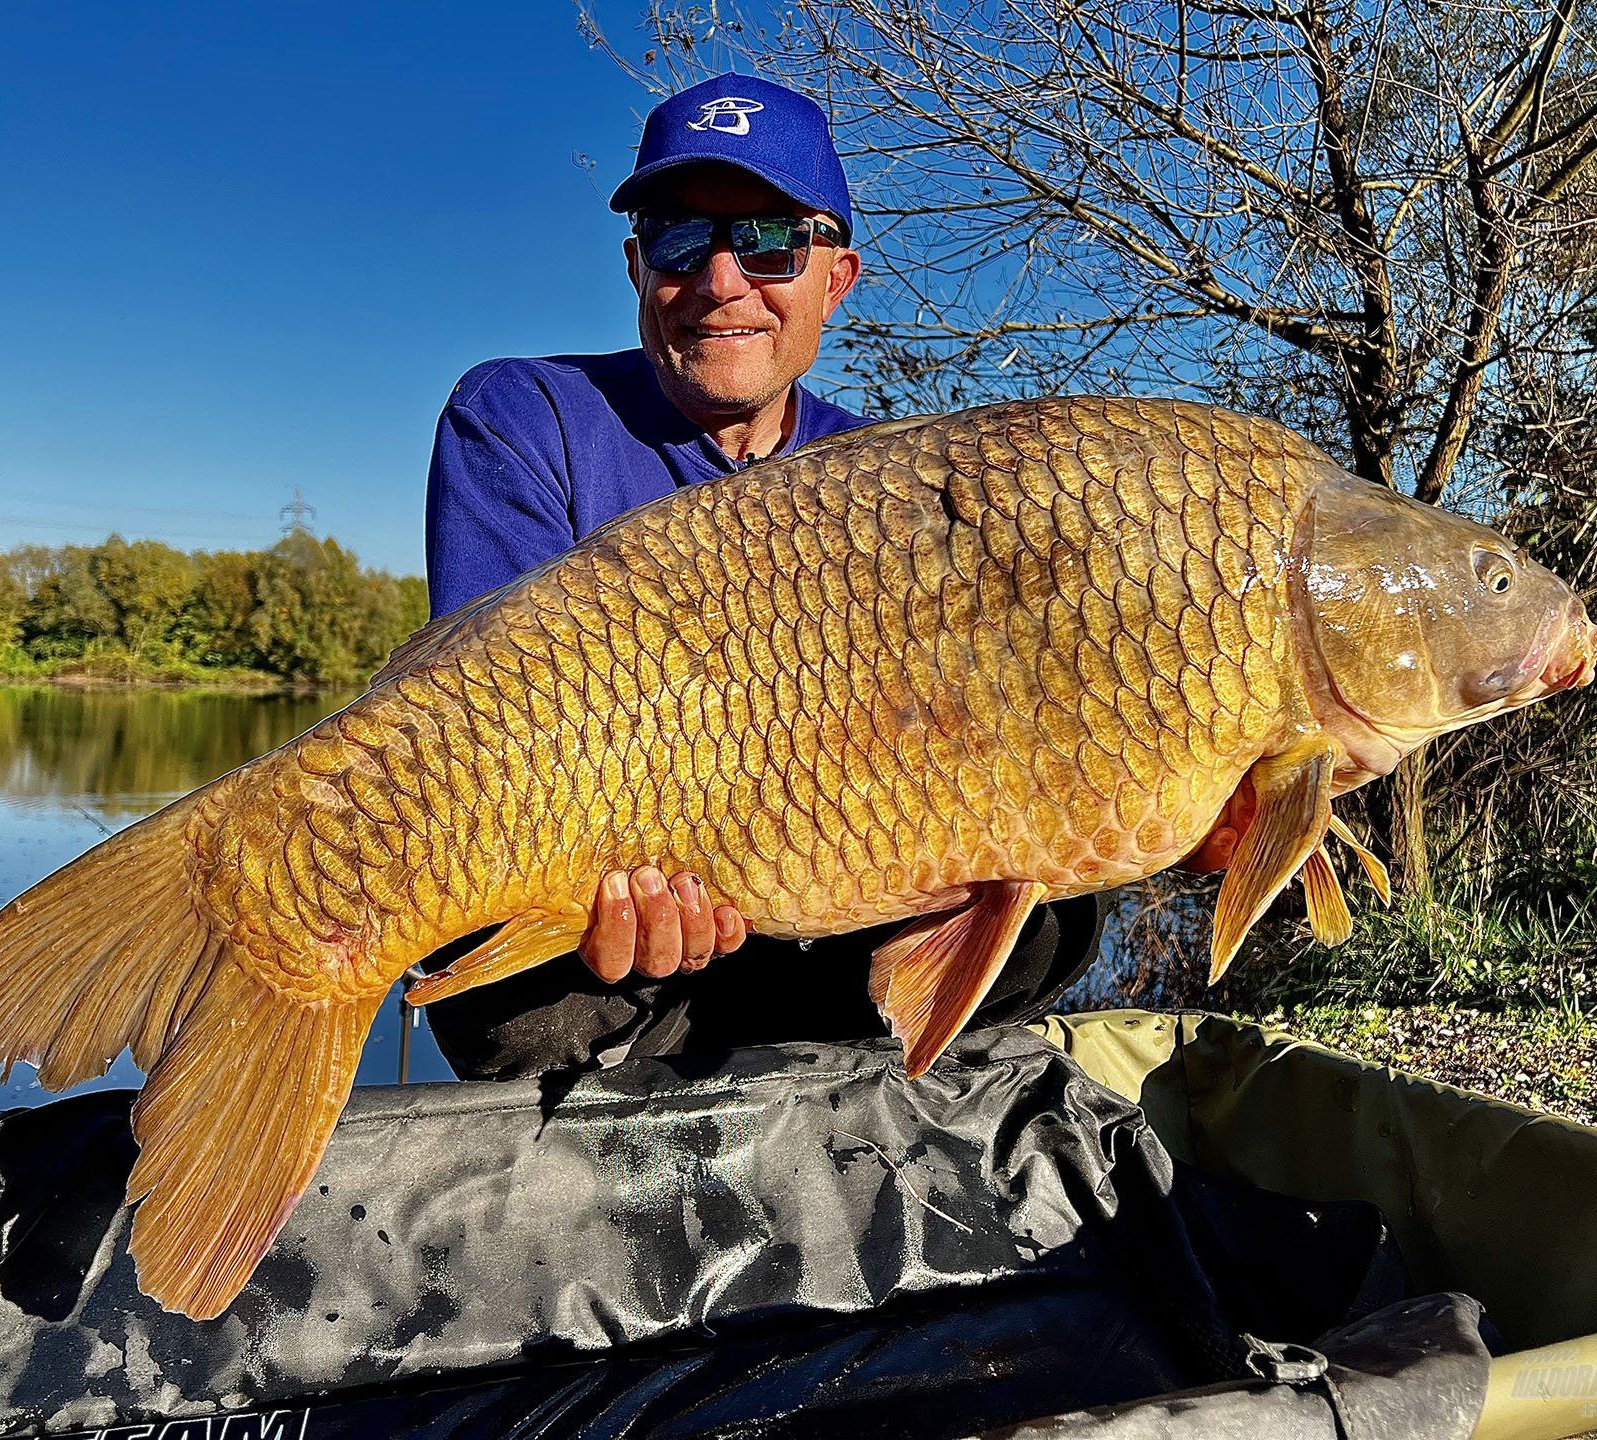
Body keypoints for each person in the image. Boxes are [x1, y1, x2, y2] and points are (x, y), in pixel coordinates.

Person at [423, 74, 1107, 1079]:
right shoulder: (525, 415)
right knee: (495, 971)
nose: (721, 279)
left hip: (831, 906)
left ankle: (847, 1077)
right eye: (679, 238)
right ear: (636, 267)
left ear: (836, 277)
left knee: (1064, 902)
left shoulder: (895, 477)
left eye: (771, 239)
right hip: (607, 926)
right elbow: (485, 739)